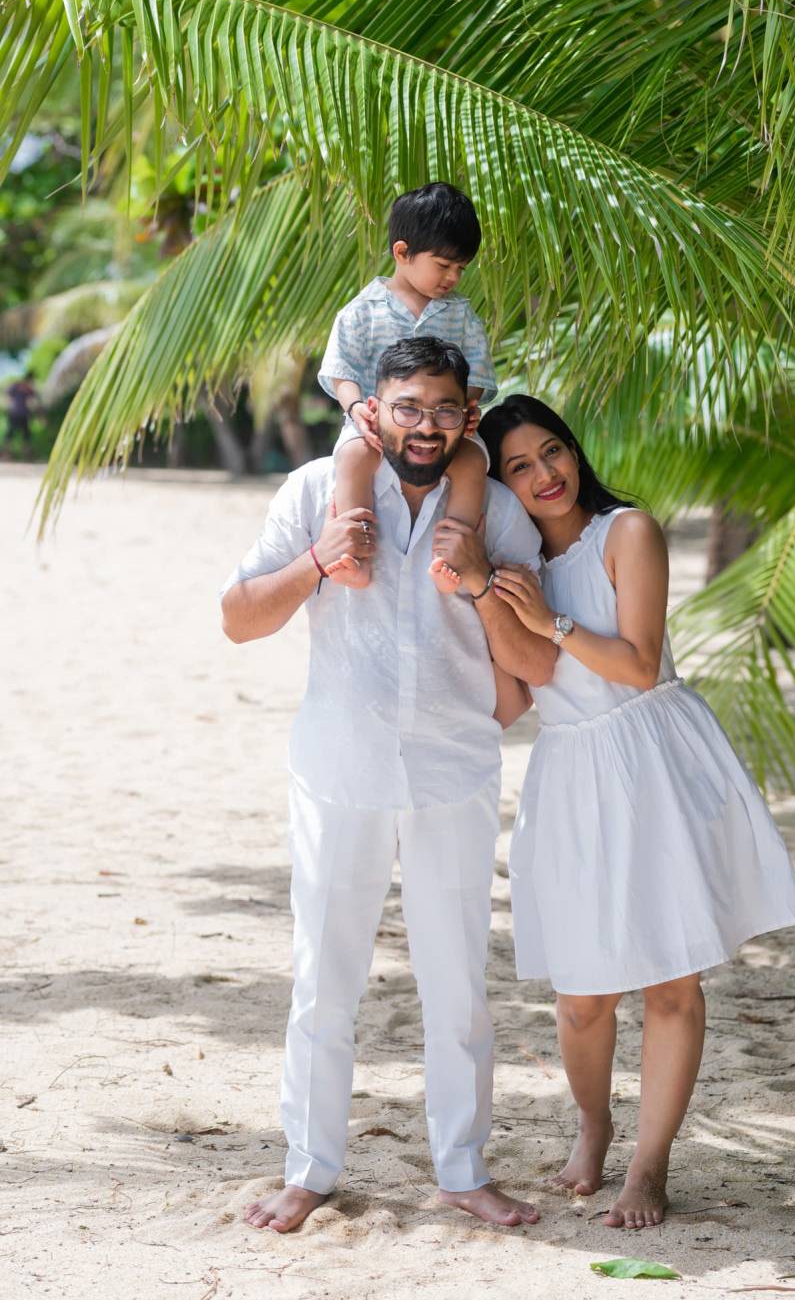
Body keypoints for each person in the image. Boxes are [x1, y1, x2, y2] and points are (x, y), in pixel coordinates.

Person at [221, 340, 556, 1234]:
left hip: (455, 771)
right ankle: (308, 1171)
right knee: (324, 983)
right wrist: (317, 561)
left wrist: (480, 580)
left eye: (444, 409)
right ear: (374, 408)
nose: (426, 427)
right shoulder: (315, 491)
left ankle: (463, 1171)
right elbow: (238, 619)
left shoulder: (498, 512)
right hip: (339, 771)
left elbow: (537, 661)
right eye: (409, 408)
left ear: (467, 414)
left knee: (459, 987)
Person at [480, 394, 795, 1232]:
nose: (544, 474)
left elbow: (637, 663)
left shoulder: (628, 532)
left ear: (574, 450)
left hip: (653, 757)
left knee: (671, 979)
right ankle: (593, 1125)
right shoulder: (512, 568)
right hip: (570, 773)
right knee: (582, 996)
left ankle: (650, 1165)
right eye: (518, 466)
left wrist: (549, 620)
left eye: (552, 451)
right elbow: (516, 699)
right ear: (498, 485)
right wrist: (485, 598)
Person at [317, 182, 496, 594]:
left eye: (461, 268)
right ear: (402, 252)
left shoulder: (461, 315)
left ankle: (453, 557)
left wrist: (467, 407)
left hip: (442, 426)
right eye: (443, 265)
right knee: (355, 456)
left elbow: (478, 373)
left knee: (471, 461)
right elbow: (341, 369)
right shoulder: (362, 311)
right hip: (377, 424)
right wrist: (356, 408)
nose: (453, 277)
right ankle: (356, 556)